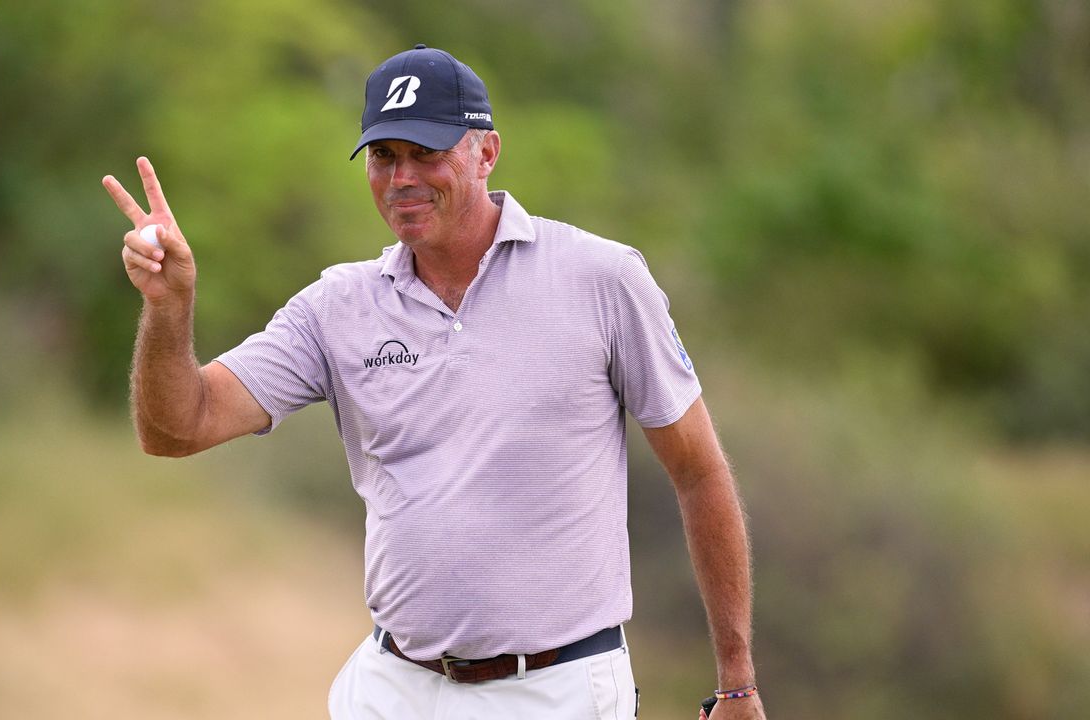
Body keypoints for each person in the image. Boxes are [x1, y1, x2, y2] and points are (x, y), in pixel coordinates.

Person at [102, 44, 766, 720]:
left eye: (426, 154)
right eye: (385, 156)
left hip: (559, 689)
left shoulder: (602, 279)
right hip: (394, 689)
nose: (402, 179)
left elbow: (698, 471)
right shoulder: (338, 307)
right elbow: (177, 428)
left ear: (486, 153)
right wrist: (168, 307)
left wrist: (736, 680)